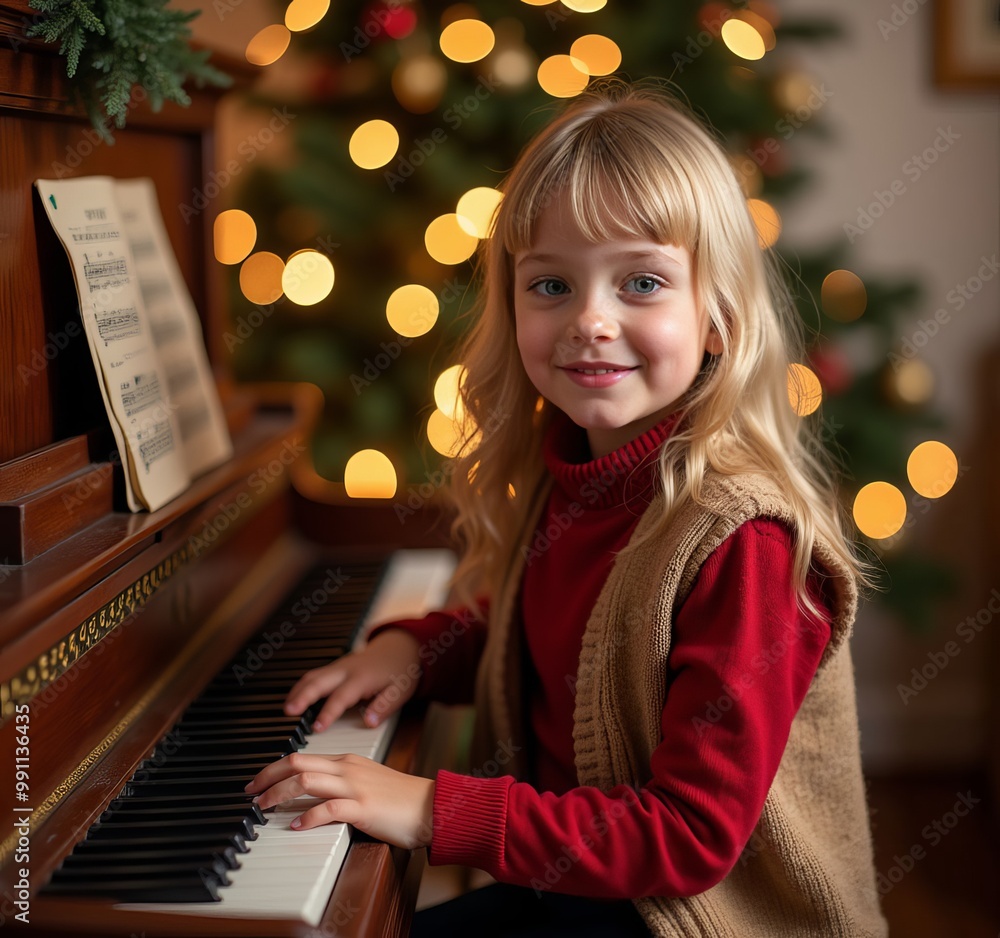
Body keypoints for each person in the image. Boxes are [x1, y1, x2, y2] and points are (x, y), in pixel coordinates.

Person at [246, 80, 888, 937]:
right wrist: (423, 644)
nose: (589, 320)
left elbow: (690, 838)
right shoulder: (577, 471)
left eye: (642, 282)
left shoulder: (746, 542)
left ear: (719, 318)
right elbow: (562, 643)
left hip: (692, 916)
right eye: (550, 286)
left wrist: (432, 808)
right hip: (593, 885)